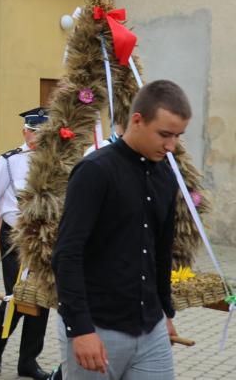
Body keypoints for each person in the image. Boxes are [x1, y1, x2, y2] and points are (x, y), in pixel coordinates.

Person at [52, 80, 191, 380]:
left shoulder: (166, 176)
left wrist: (165, 312)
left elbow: (160, 253)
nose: (171, 146)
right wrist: (80, 329)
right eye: (164, 134)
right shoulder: (95, 171)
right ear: (137, 120)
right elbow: (67, 253)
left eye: (178, 136)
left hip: (150, 328)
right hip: (97, 327)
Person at [0, 107, 51, 380]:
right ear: (25, 132)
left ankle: (28, 361)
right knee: (18, 295)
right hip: (16, 236)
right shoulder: (10, 160)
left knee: (42, 297)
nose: (39, 137)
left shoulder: (56, 160)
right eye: (34, 131)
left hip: (46, 237)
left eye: (44, 132)